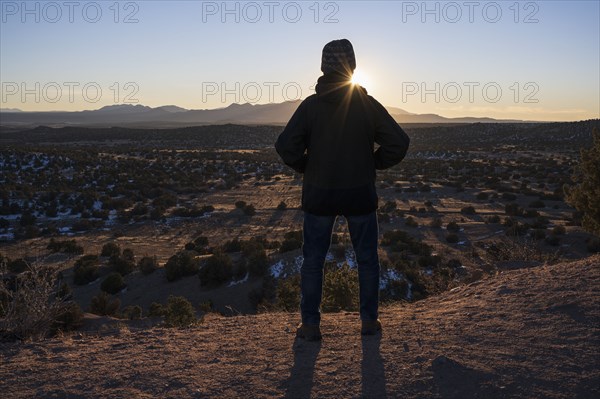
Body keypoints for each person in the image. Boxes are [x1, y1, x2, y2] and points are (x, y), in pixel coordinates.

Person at [275, 39, 410, 341]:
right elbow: (399, 143)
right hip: (359, 193)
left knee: (313, 261)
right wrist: (372, 163)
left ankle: (310, 325)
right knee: (367, 260)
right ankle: (368, 322)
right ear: (353, 66)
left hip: (320, 194)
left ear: (323, 66)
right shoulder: (366, 105)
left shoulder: (310, 107)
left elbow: (285, 146)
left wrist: (306, 166)